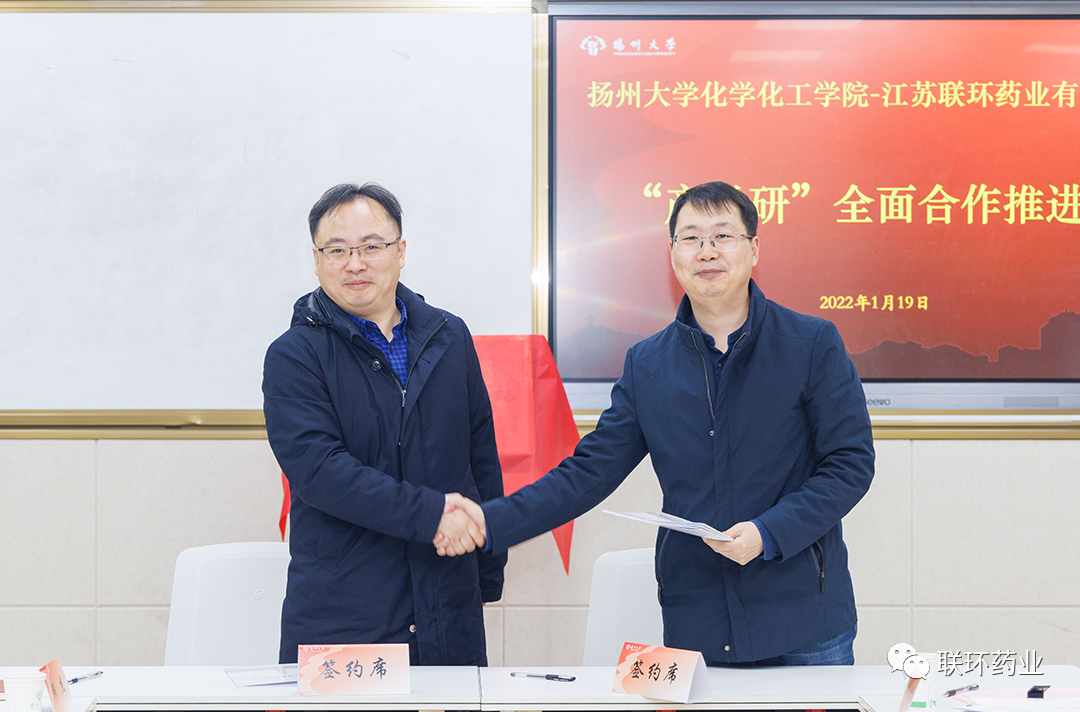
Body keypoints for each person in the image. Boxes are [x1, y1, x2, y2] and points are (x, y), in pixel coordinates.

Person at [440, 181, 875, 666]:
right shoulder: (648, 364)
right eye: (690, 238)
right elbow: (588, 472)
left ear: (754, 249)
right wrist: (489, 520)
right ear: (672, 254)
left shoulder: (811, 344)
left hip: (805, 622)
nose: (706, 251)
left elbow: (850, 465)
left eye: (723, 236)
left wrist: (767, 532)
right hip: (699, 622)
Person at [263, 182, 505, 666]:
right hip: (346, 614)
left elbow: (480, 457)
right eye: (337, 250)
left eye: (371, 246)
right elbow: (321, 473)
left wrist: (486, 571)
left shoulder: (449, 336)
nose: (355, 264)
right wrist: (432, 514)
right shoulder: (294, 355)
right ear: (316, 261)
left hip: (448, 603)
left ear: (401, 251)